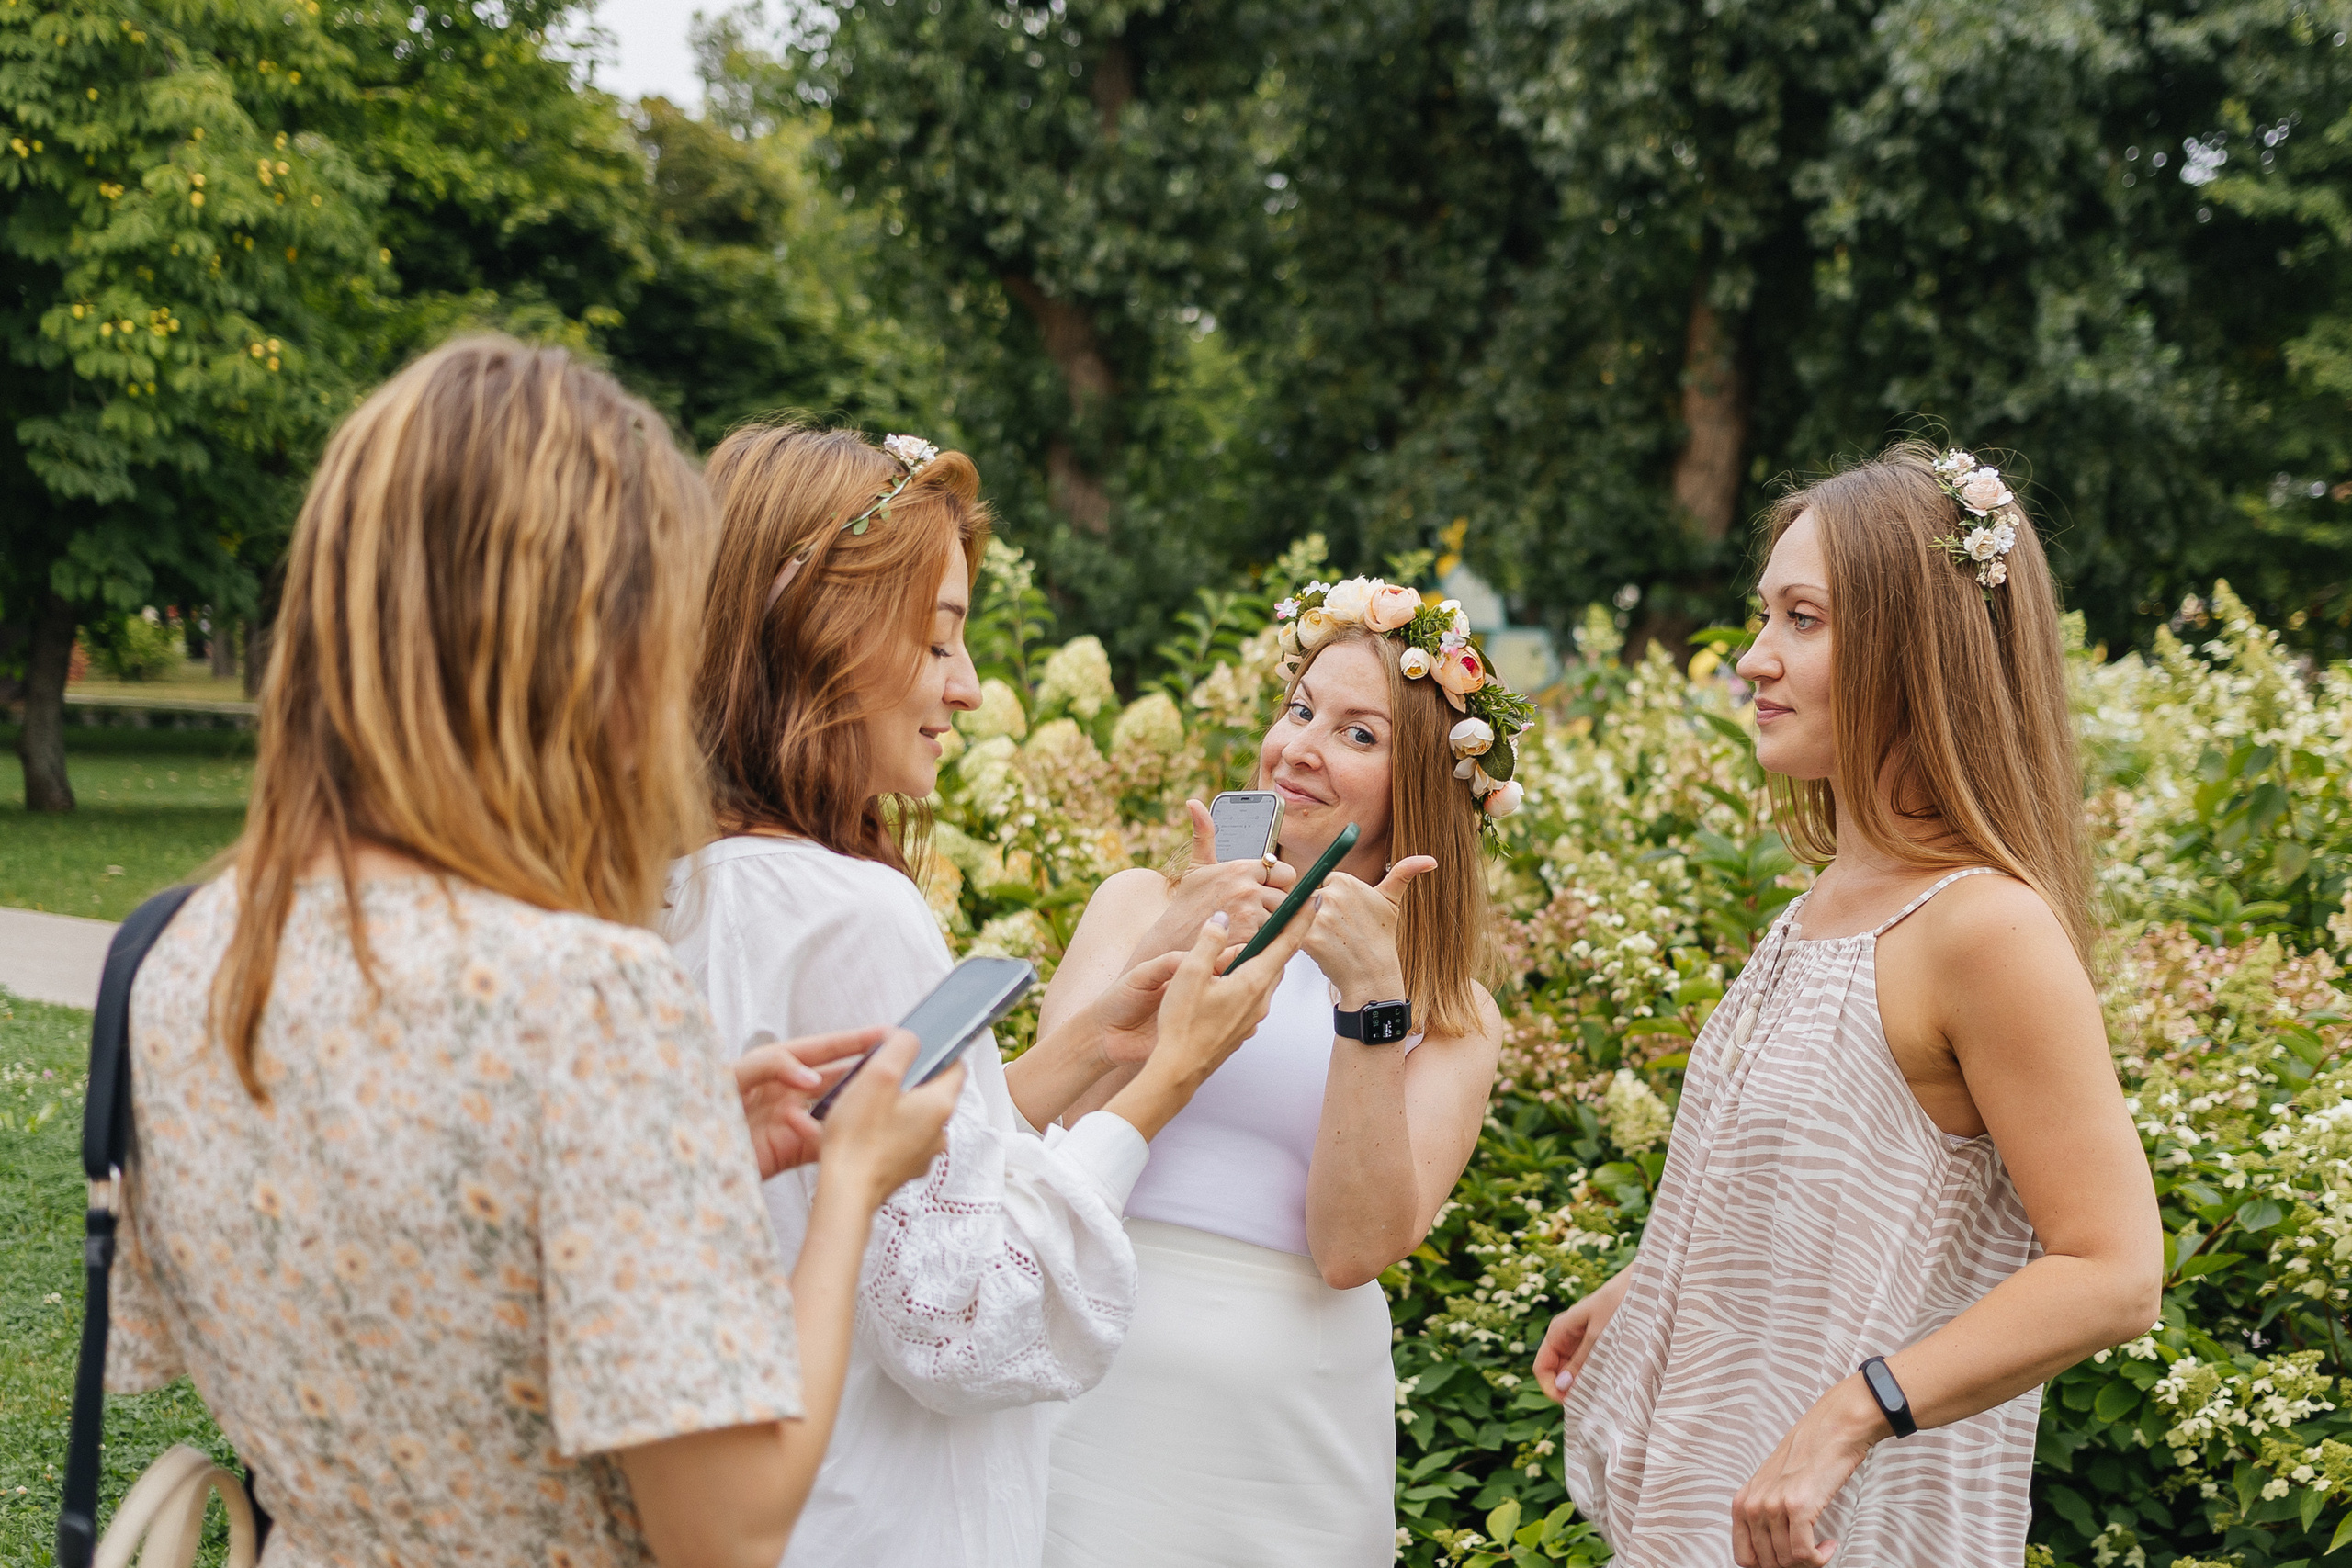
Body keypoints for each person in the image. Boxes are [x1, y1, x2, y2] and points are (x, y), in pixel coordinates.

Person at [99, 337, 963, 1568]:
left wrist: (662, 1146)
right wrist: (849, 1189)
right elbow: (733, 1525)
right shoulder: (585, 998)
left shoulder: (187, 948)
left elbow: (376, 1261)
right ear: (584, 647)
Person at [662, 421, 1311, 1567]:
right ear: (827, 631)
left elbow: (846, 1178)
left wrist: (1078, 1058)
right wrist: (1166, 1080)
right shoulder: (851, 909)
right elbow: (958, 1319)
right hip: (876, 1512)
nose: (968, 689)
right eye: (939, 641)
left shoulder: (686, 880)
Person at [1534, 443, 2165, 1568]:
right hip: (1719, 1505)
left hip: (1851, 1534)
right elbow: (1841, 1183)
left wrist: (1847, 1415)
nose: (1754, 659)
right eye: (1763, 616)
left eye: (1802, 619)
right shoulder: (1824, 903)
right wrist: (1653, 1280)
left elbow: (2112, 1271)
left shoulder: (1983, 928)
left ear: (1912, 647)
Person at [1038, 575, 1522, 1566]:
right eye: (1299, 708)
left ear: (1421, 785)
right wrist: (1164, 949)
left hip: (1285, 1438)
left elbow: (1350, 1249)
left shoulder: (1452, 1016)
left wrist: (1366, 1006)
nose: (1298, 745)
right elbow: (1041, 1143)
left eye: (1357, 732)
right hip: (1083, 1379)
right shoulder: (1135, 904)